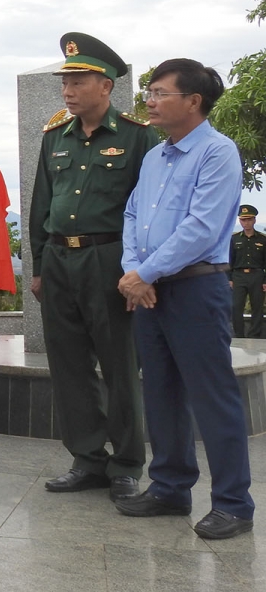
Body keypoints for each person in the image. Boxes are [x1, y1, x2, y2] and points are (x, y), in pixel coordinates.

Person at [116, 58, 254, 540]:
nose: (149, 101)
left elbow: (201, 227)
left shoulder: (217, 152)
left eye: (159, 93)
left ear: (193, 101)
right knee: (161, 391)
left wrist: (144, 272)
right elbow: (132, 215)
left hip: (197, 286)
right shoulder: (155, 156)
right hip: (150, 289)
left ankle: (234, 504)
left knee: (212, 395)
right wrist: (134, 272)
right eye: (149, 92)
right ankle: (170, 488)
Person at [28, 33, 157, 500]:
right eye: (66, 80)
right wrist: (39, 265)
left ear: (105, 85)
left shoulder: (137, 136)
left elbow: (147, 210)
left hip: (111, 260)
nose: (68, 89)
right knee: (69, 366)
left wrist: (139, 271)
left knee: (119, 365)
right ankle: (87, 458)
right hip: (60, 260)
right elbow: (41, 204)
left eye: (78, 79)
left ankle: (126, 463)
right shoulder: (54, 136)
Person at [230, 204, 265, 338]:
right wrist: (229, 278)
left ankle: (255, 335)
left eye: (249, 219)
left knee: (257, 307)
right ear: (240, 221)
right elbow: (229, 260)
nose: (246, 223)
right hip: (238, 276)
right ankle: (238, 335)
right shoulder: (234, 239)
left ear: (254, 220)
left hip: (257, 275)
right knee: (236, 307)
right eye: (243, 220)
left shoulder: (262, 239)